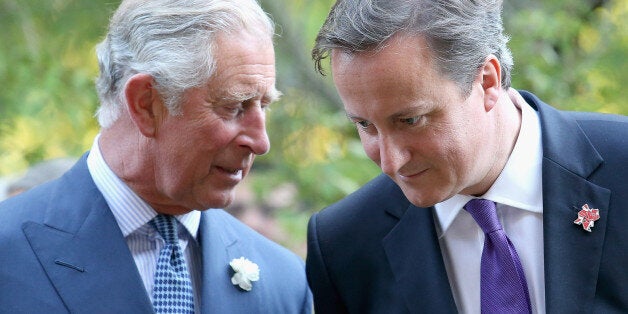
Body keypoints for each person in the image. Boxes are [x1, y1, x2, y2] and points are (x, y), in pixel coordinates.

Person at [306, 0, 628, 313]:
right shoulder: (344, 246)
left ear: (487, 81)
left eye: (410, 120)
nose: (391, 162)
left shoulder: (622, 166)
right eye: (365, 125)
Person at [0, 0, 312, 313]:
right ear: (146, 103)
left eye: (264, 105)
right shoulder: (9, 252)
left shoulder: (284, 282)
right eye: (233, 107)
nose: (260, 142)